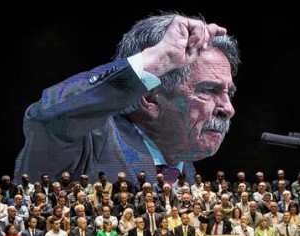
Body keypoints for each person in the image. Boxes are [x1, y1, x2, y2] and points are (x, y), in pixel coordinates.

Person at [13, 13, 240, 185]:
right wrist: (154, 61)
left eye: (228, 93)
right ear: (149, 97)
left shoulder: (184, 169)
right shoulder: (90, 142)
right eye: (209, 90)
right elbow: (47, 118)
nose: (228, 109)